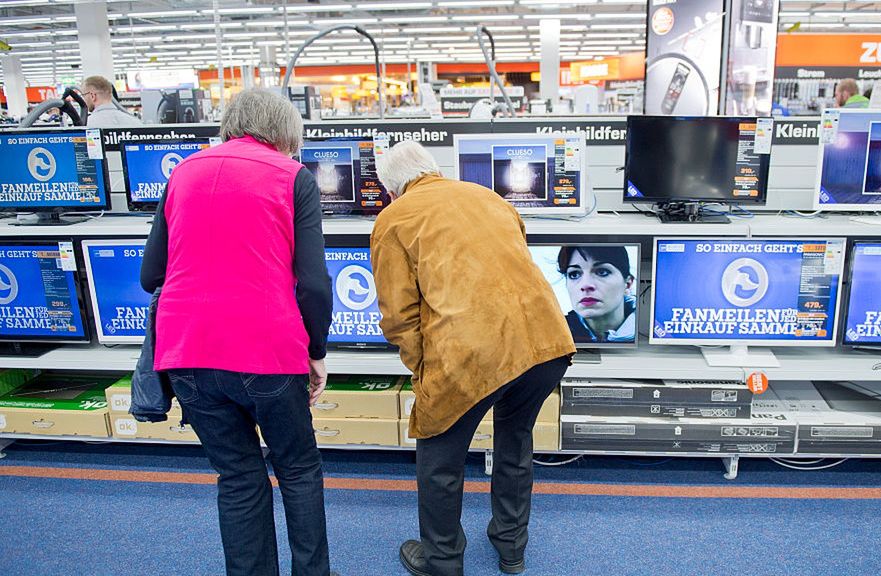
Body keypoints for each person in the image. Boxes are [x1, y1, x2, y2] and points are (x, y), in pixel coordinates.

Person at [140, 88, 334, 576]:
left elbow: (150, 276)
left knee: (238, 476)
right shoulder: (293, 177)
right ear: (286, 134)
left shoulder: (183, 172)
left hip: (185, 352)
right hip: (267, 350)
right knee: (298, 470)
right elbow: (313, 282)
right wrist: (316, 350)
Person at [370, 140, 577, 576]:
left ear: (392, 190)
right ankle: (511, 548)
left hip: (472, 351)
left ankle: (442, 560)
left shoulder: (394, 218)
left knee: (439, 457)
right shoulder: (488, 197)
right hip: (546, 340)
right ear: (433, 170)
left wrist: (424, 372)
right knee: (515, 440)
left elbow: (398, 316)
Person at [558, 245, 636, 343]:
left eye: (602, 272)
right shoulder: (553, 335)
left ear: (628, 284)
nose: (585, 285)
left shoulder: (648, 330)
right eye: (574, 274)